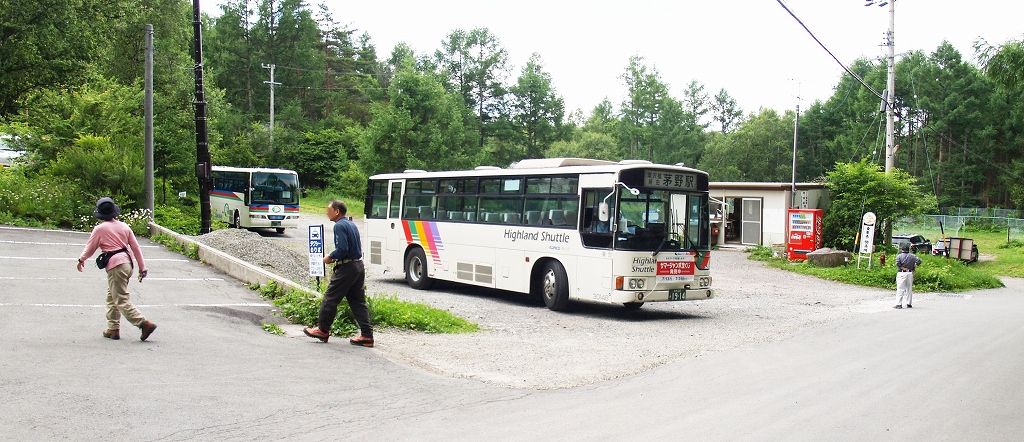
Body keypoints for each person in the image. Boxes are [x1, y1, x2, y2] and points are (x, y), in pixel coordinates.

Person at [77, 197, 156, 341]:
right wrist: (142, 267)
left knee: (120, 298)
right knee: (112, 296)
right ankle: (113, 329)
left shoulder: (100, 229)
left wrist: (82, 259)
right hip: (127, 264)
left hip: (115, 265)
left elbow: (90, 247)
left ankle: (143, 323)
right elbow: (135, 247)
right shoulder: (124, 226)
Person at [303, 200, 374, 347]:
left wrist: (330, 257)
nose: (326, 212)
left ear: (337, 212)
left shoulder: (339, 226)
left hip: (346, 267)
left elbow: (342, 248)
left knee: (330, 298)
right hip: (357, 265)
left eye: (328, 210)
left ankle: (323, 330)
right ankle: (367, 336)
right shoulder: (351, 224)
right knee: (358, 302)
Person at [894, 244, 922, 309]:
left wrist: (902, 267)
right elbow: (919, 260)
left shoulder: (899, 256)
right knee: (909, 288)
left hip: (902, 273)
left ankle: (899, 304)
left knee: (900, 288)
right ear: (908, 250)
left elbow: (897, 263)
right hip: (910, 273)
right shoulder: (912, 256)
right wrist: (915, 266)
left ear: (902, 250)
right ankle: (909, 303)